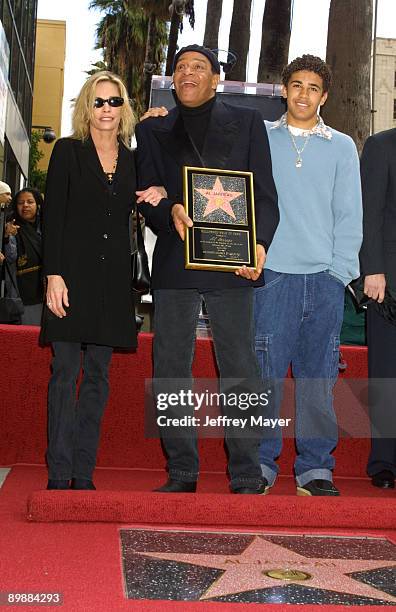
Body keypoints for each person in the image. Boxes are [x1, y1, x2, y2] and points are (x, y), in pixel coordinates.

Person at [135, 44, 279, 494]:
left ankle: (246, 471)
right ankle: (181, 469)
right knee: (170, 367)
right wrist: (171, 213)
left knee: (239, 366)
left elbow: (266, 196)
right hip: (176, 261)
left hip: (233, 264)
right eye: (180, 68)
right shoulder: (154, 130)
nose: (188, 73)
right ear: (173, 79)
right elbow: (146, 193)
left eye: (198, 67)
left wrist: (258, 245)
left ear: (216, 78)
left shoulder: (249, 123)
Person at [254, 55, 362, 496]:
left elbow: (349, 213)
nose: (303, 94)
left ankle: (315, 468)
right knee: (264, 375)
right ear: (283, 89)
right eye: (295, 85)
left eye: (312, 87)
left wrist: (339, 273)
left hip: (324, 278)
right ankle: (258, 463)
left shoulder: (341, 146)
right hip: (272, 274)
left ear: (325, 95)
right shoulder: (259, 137)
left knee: (319, 378)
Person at [41, 71, 154, 490]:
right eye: (99, 101)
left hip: (112, 284)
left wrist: (159, 194)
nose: (106, 109)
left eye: (115, 101)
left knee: (98, 378)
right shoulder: (69, 152)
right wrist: (53, 274)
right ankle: (58, 472)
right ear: (87, 106)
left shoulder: (133, 159)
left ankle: (82, 472)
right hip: (70, 278)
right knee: (65, 372)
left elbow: (142, 203)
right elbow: (53, 218)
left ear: (124, 108)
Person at [360, 128, 396, 489]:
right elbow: (368, 212)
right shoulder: (381, 145)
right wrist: (372, 269)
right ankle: (384, 462)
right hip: (389, 286)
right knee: (387, 374)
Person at [4, 188, 44, 325]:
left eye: (30, 202)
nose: (25, 205)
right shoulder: (12, 226)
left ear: (37, 205)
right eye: (21, 203)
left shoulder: (48, 226)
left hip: (50, 290)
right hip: (25, 294)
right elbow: (10, 257)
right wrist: (8, 237)